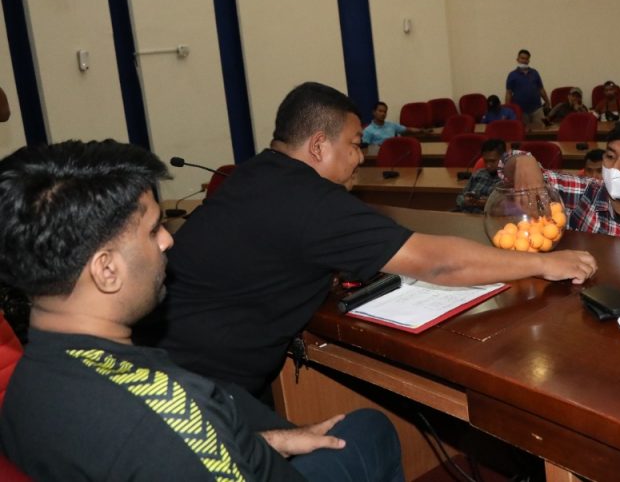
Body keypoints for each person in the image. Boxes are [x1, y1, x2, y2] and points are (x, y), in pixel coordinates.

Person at [139, 83, 596, 398]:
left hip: (156, 366)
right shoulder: (311, 200)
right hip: (198, 395)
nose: (361, 156)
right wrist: (543, 264)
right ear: (319, 146)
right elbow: (439, 264)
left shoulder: (251, 174)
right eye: (355, 144)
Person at [0, 139, 404, 481]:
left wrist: (267, 442)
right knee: (370, 430)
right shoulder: (168, 410)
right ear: (106, 270)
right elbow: (171, 439)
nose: (167, 241)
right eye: (153, 230)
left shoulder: (25, 383)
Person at [503, 120, 620, 242]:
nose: (615, 167)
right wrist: (524, 162)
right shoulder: (583, 193)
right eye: (610, 156)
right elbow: (505, 165)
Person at [455, 139, 506, 213]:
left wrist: (488, 204)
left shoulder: (508, 180)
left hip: (486, 217)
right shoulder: (478, 174)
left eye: (492, 161)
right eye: (485, 161)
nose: (488, 165)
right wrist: (465, 201)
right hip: (466, 214)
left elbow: (508, 208)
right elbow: (459, 197)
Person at [505, 49, 550, 127]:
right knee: (523, 131)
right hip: (520, 110)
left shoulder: (535, 73)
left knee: (541, 131)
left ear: (529, 60)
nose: (524, 61)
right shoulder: (512, 75)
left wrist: (547, 101)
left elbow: (541, 89)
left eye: (526, 59)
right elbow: (509, 93)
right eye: (522, 58)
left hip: (537, 109)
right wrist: (507, 108)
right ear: (517, 59)